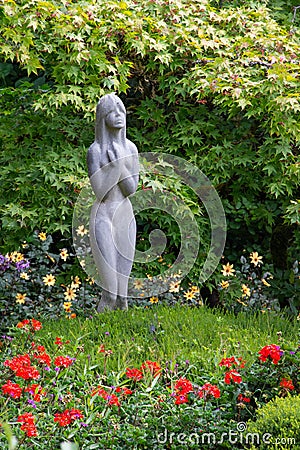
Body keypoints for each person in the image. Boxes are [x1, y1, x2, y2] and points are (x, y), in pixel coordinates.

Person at [87, 93, 139, 311]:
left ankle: (122, 339)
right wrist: (117, 165)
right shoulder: (95, 151)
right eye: (112, 112)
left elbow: (131, 189)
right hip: (104, 217)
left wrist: (120, 162)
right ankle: (98, 339)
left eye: (121, 111)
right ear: (102, 117)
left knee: (123, 297)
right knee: (110, 292)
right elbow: (101, 191)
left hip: (125, 217)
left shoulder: (130, 149)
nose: (118, 116)